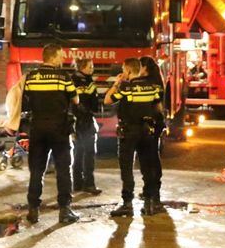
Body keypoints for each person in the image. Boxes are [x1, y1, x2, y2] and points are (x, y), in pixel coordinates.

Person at [21, 44, 79, 224]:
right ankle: (65, 210)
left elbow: (26, 101)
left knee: (37, 170)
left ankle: (33, 210)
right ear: (52, 57)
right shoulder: (63, 77)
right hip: (59, 129)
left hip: (37, 128)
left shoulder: (31, 77)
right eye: (61, 56)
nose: (63, 59)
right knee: (63, 169)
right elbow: (75, 99)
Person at [104, 58, 165, 217]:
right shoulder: (151, 87)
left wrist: (117, 83)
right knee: (147, 167)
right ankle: (149, 203)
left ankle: (127, 204)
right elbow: (158, 107)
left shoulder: (125, 87)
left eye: (124, 70)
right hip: (146, 131)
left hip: (129, 131)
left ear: (129, 71)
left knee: (127, 168)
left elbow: (107, 100)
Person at [71, 57, 102, 195]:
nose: (92, 69)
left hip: (76, 121)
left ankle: (77, 183)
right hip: (85, 121)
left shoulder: (72, 80)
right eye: (90, 66)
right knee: (89, 153)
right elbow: (93, 104)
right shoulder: (87, 82)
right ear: (82, 67)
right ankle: (89, 184)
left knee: (78, 152)